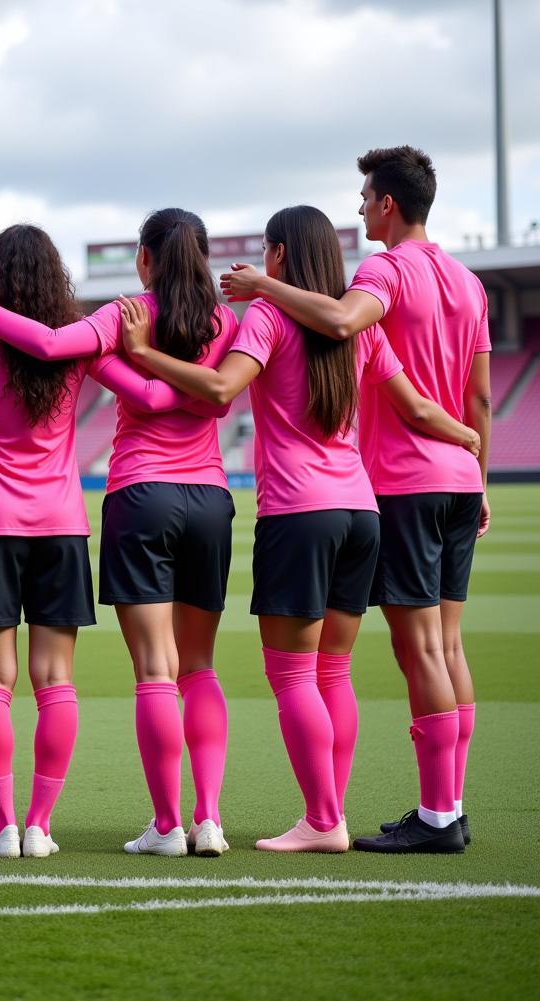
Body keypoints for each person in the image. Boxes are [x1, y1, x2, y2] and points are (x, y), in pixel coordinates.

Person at [120, 204, 481, 852]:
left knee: (293, 676)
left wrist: (143, 352)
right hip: (361, 512)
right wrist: (471, 447)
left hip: (299, 512)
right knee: (333, 672)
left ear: (280, 255)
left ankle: (323, 820)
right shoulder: (360, 326)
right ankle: (328, 813)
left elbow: (217, 387)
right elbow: (419, 406)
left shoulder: (268, 315)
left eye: (267, 249)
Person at [0, 223, 208, 857]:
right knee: (55, 681)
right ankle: (39, 824)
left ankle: (0, 828)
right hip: (61, 527)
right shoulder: (81, 349)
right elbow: (151, 394)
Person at [221, 148, 492, 854]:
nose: (362, 209)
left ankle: (384, 816)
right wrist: (476, 460)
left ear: (388, 204)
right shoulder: (467, 282)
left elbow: (328, 328)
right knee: (427, 651)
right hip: (406, 494)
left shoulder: (372, 280)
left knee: (355, 663)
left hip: (385, 486)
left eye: (366, 199)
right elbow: (475, 398)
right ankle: (444, 807)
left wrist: (257, 293)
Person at [0, 209, 237, 857]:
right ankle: (206, 819)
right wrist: (137, 364)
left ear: (144, 258)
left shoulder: (120, 318)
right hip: (192, 501)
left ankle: (146, 826)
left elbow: (58, 348)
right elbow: (170, 397)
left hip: (122, 498)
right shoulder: (224, 322)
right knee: (193, 667)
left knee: (147, 672)